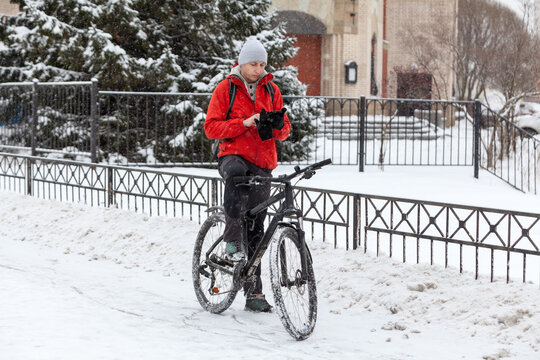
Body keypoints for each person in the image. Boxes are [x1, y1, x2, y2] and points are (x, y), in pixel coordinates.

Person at [204, 37, 291, 312]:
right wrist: (243, 123)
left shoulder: (272, 89)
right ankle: (231, 239)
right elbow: (211, 128)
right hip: (233, 155)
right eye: (254, 63)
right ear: (242, 63)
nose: (258, 68)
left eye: (262, 63)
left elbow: (286, 131)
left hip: (263, 162)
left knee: (256, 230)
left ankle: (254, 294)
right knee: (236, 176)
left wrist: (275, 126)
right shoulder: (225, 89)